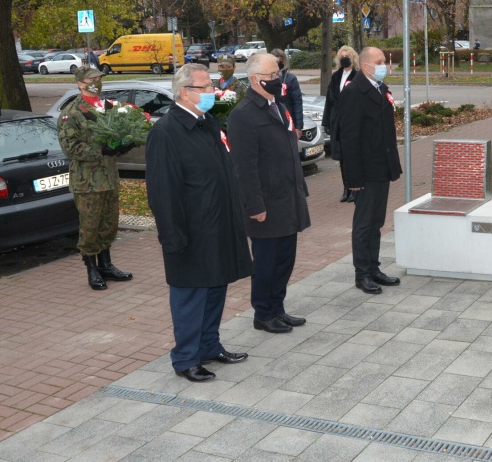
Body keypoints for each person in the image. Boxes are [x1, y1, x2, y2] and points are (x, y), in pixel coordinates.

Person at [145, 63, 253, 382]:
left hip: (219, 225)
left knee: (216, 288)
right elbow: (162, 192)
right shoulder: (166, 132)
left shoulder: (207, 122)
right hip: (190, 231)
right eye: (205, 88)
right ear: (185, 92)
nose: (212, 93)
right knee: (191, 296)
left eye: (211, 86)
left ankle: (209, 346)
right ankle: (186, 358)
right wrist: (173, 236)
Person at [228, 53, 311, 334]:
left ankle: (278, 308)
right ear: (255, 79)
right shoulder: (243, 115)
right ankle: (263, 313)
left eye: (279, 73)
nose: (278, 79)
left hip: (288, 197)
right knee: (266, 263)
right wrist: (255, 206)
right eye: (273, 76)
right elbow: (244, 167)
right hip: (266, 203)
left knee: (285, 260)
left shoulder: (278, 106)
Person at [57, 67, 136, 291]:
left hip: (109, 176)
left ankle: (106, 265)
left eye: (99, 79)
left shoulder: (106, 108)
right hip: (87, 181)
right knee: (90, 226)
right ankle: (92, 269)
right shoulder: (71, 112)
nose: (97, 83)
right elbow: (70, 148)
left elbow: (115, 136)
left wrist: (122, 144)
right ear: (80, 84)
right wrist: (100, 150)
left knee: (108, 223)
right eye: (92, 79)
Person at [337, 46, 403, 294]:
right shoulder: (354, 92)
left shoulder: (380, 88)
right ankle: (362, 273)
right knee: (364, 224)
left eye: (384, 61)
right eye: (380, 61)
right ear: (365, 66)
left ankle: (374, 268)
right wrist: (352, 178)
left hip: (381, 167)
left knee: (376, 221)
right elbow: (349, 138)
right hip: (364, 171)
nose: (385, 64)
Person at [323, 45, 359, 203]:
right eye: (342, 56)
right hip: (337, 121)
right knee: (342, 158)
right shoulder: (336, 76)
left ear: (353, 58)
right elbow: (329, 101)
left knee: (352, 156)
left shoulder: (358, 76)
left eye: (347, 56)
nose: (344, 58)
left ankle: (354, 189)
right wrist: (327, 122)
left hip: (351, 122)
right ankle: (346, 188)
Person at [270, 48, 303, 139]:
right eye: (276, 60)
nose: (278, 62)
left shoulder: (290, 79)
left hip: (288, 120)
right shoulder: (266, 78)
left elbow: (297, 103)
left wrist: (298, 126)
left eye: (280, 60)